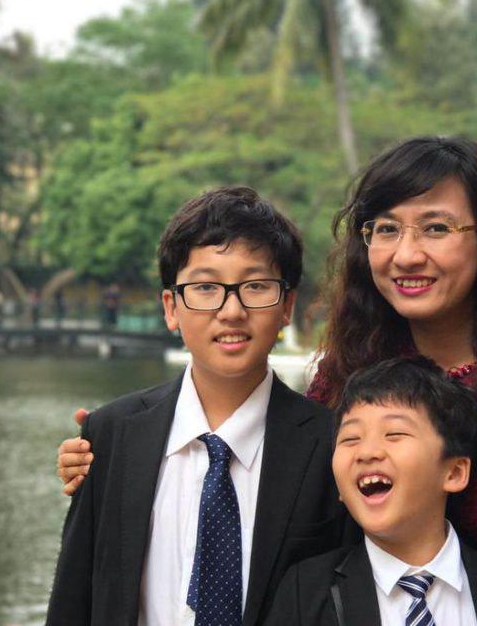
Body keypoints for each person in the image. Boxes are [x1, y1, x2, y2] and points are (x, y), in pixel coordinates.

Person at [57, 136, 477, 622]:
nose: (407, 254)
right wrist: (112, 452)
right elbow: (297, 487)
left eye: (437, 228)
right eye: (386, 229)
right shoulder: (350, 370)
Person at [47, 187, 355, 626]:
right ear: (171, 307)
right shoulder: (112, 434)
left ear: (286, 306)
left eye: (255, 286)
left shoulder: (330, 444)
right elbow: (73, 597)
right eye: (206, 287)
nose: (231, 310)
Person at [265, 357, 477, 625]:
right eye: (350, 438)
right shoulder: (305, 592)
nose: (367, 452)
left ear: (454, 473)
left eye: (394, 434)